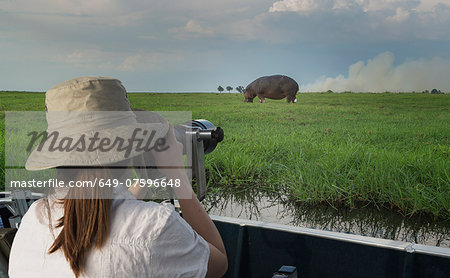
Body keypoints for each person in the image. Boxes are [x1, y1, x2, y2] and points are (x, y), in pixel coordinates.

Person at [8, 76, 228, 277]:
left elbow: (101, 204)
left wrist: (145, 179)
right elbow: (218, 264)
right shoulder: (155, 227)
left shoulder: (35, 218)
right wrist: (178, 176)